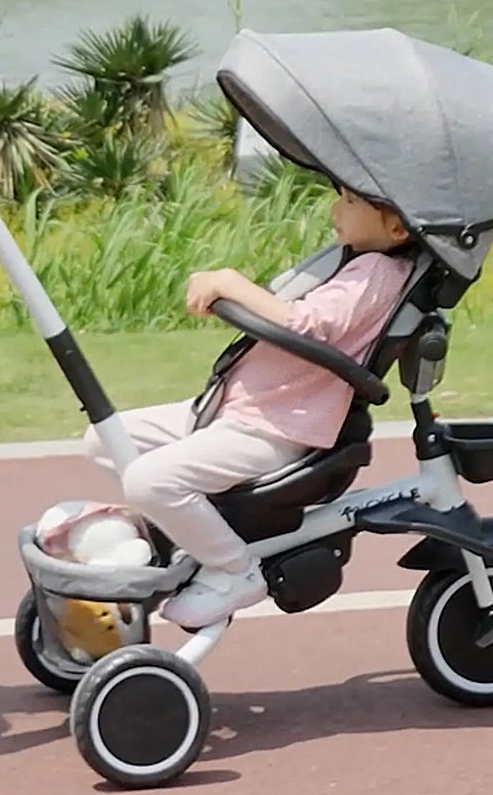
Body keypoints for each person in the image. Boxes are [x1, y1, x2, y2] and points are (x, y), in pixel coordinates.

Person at [82, 186, 415, 630]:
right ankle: (185, 535)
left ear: (394, 227)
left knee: (147, 481)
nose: (336, 208)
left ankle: (234, 571)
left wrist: (229, 282)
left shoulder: (375, 271)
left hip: (273, 429)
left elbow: (308, 325)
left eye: (351, 202)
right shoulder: (354, 262)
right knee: (105, 439)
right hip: (234, 409)